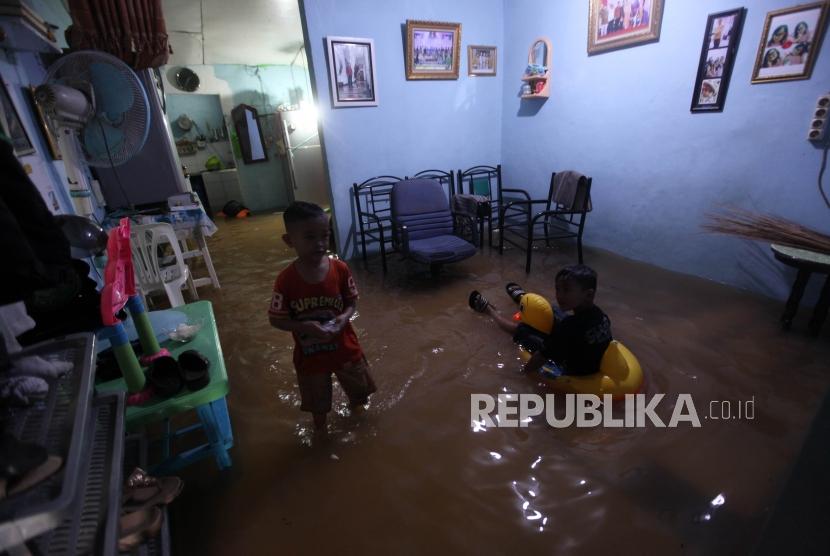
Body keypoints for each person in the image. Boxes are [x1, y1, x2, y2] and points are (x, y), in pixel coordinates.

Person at [268, 202, 376, 432]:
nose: (320, 244)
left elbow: (351, 303)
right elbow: (276, 319)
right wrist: (303, 326)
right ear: (289, 241)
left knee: (360, 395)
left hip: (345, 348)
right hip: (311, 357)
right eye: (309, 237)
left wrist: (343, 318)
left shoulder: (340, 269)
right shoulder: (285, 280)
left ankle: (363, 429)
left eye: (325, 236)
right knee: (318, 407)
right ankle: (321, 434)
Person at [468, 264, 612, 377]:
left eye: (566, 290)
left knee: (524, 330)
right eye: (557, 289)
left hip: (569, 365)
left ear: (588, 295)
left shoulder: (569, 327)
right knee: (554, 310)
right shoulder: (602, 316)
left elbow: (541, 357)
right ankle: (523, 299)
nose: (559, 295)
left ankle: (489, 310)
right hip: (576, 345)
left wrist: (522, 374)